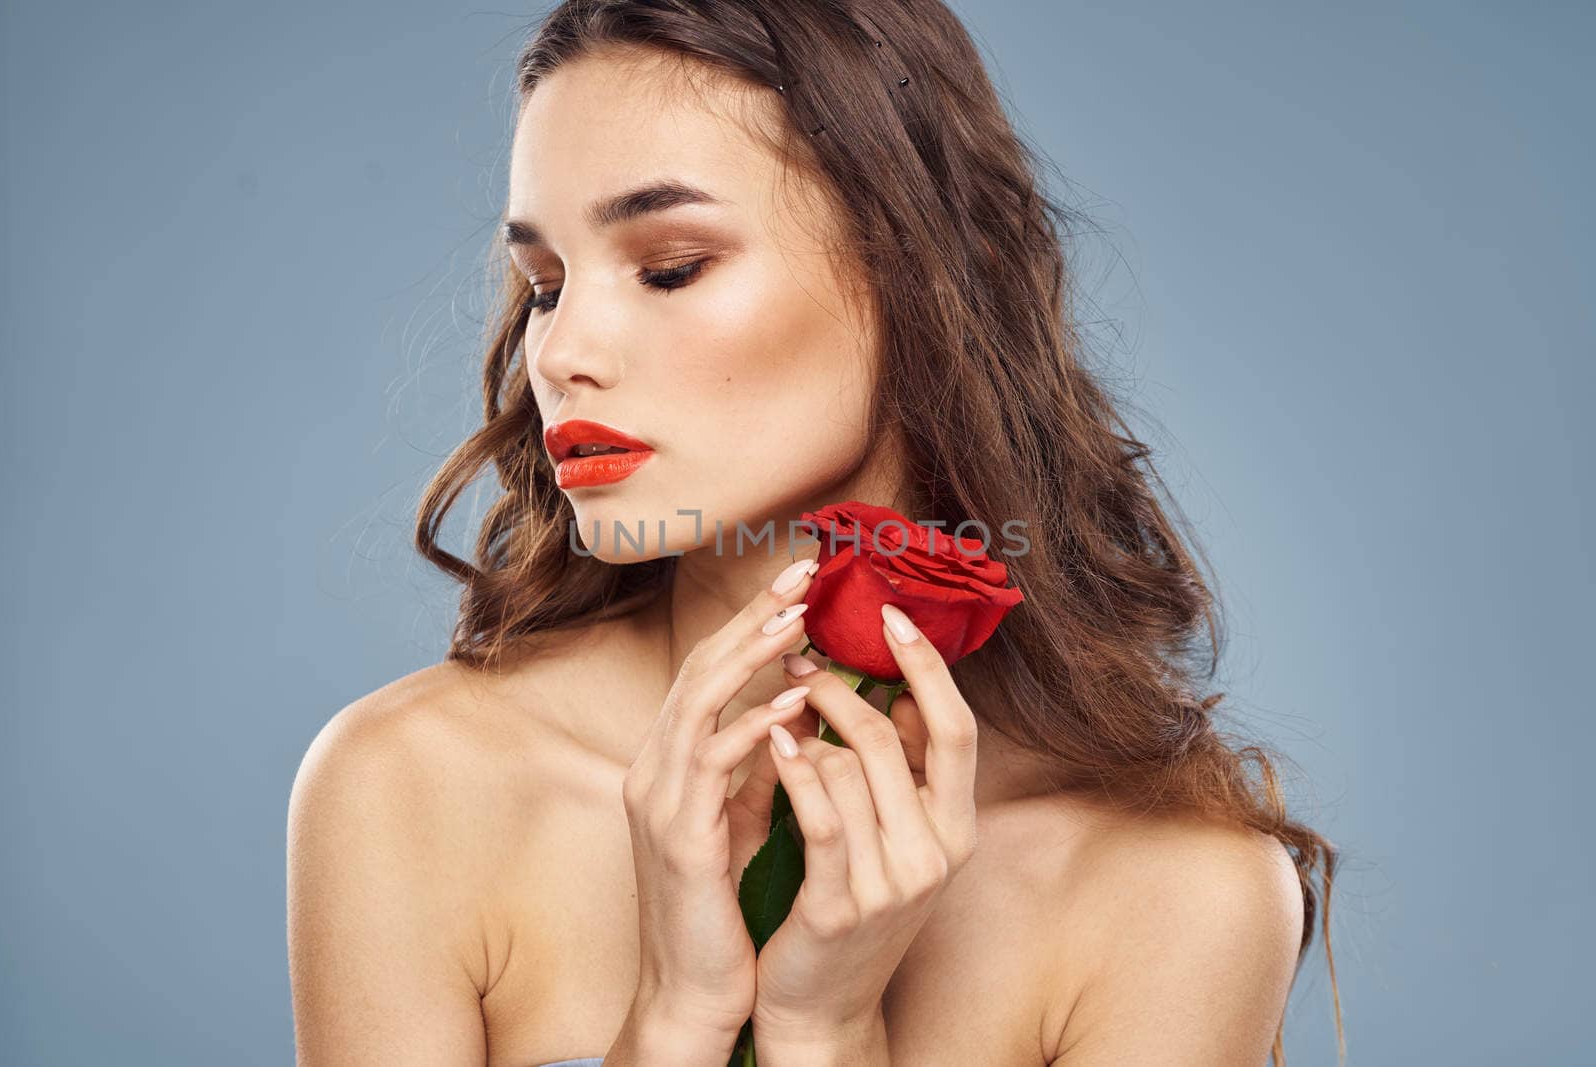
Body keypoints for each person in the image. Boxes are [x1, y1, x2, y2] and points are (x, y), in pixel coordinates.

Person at [287, 3, 1344, 1064]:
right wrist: (676, 1020)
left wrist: (820, 1031)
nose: (559, 354)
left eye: (669, 266)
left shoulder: (1173, 893)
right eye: (545, 286)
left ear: (911, 272)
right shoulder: (410, 789)